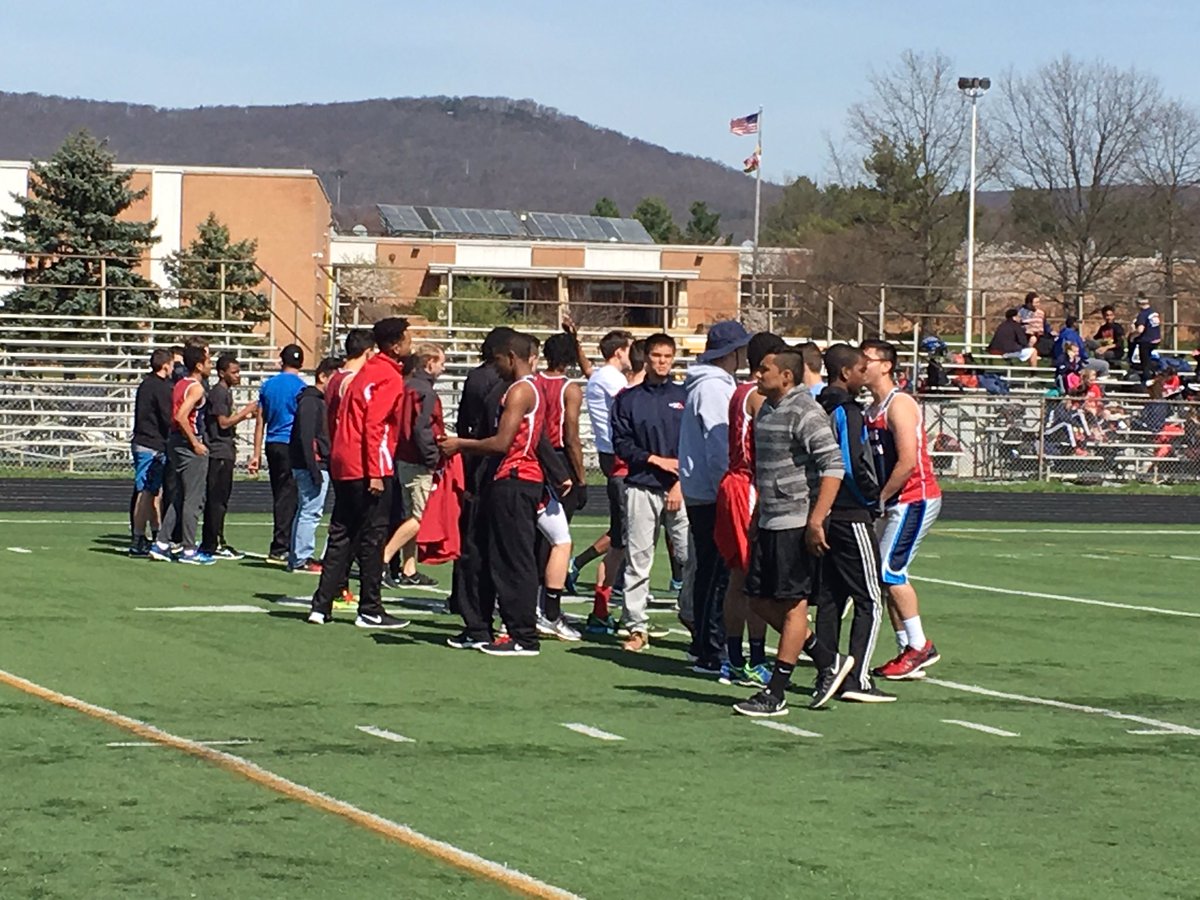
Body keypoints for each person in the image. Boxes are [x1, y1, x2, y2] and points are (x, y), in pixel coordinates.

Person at [731, 349, 852, 717]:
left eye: (764, 369)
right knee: (758, 600)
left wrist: (816, 520)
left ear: (786, 376)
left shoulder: (805, 410)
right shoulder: (766, 409)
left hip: (796, 522)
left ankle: (776, 691)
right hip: (770, 519)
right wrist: (756, 517)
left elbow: (834, 466)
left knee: (793, 604)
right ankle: (826, 658)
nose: (757, 373)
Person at [440, 331, 551, 657]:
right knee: (503, 557)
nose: (496, 367)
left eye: (499, 360)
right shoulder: (530, 388)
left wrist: (460, 444)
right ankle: (509, 630)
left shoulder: (519, 391)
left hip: (515, 477)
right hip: (516, 477)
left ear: (511, 357)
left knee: (513, 561)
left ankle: (524, 636)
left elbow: (502, 442)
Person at [307, 318, 413, 629]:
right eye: (407, 339)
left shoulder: (362, 373)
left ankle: (321, 605)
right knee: (373, 536)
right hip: (366, 465)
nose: (411, 344)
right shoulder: (388, 377)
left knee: (342, 533)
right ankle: (371, 608)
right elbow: (375, 426)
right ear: (395, 345)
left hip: (344, 461)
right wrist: (377, 471)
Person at [861, 339, 943, 681]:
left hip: (913, 497)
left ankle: (920, 645)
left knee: (890, 571)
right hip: (893, 500)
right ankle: (906, 647)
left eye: (866, 359)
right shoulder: (870, 409)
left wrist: (880, 498)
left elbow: (908, 461)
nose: (860, 365)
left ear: (886, 365)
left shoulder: (900, 404)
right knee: (882, 577)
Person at [815, 344, 893, 702]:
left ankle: (827, 669)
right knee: (870, 598)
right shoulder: (846, 411)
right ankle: (856, 678)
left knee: (831, 597)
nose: (864, 375)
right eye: (860, 369)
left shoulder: (818, 406)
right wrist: (870, 498)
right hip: (848, 512)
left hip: (825, 512)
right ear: (845, 373)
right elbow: (848, 462)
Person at [679, 320, 753, 672]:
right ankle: (711, 646)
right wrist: (727, 488)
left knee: (710, 568)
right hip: (711, 491)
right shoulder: (714, 389)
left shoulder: (709, 385)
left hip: (702, 489)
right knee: (718, 572)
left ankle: (704, 644)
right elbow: (717, 444)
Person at [713, 332, 786, 687]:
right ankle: (752, 657)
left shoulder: (739, 392)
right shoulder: (758, 396)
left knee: (738, 577)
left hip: (734, 485)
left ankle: (735, 656)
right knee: (756, 579)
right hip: (748, 488)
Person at [610, 333, 689, 655]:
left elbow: (695, 445)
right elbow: (622, 444)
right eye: (657, 355)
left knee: (689, 558)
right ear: (646, 357)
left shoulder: (685, 396)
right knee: (638, 560)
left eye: (668, 356)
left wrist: (680, 482)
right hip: (642, 486)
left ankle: (694, 618)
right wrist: (654, 460)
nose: (662, 362)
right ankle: (636, 625)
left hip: (681, 490)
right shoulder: (628, 399)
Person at [449, 326, 518, 619]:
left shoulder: (476, 376)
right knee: (487, 540)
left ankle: (461, 599)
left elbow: (465, 417)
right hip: (489, 459)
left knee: (470, 536)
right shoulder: (502, 383)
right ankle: (483, 605)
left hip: (474, 455)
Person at [532, 332, 588, 642]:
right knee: (557, 539)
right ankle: (548, 610)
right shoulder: (570, 389)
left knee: (533, 537)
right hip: (556, 460)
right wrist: (579, 477)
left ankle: (531, 605)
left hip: (532, 457)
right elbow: (571, 436)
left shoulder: (534, 382)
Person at [383, 342, 446, 587]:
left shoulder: (407, 386)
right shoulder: (425, 391)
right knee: (419, 516)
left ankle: (409, 568)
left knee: (410, 513)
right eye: (440, 362)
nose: (443, 368)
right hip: (418, 460)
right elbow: (423, 428)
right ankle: (384, 558)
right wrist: (432, 457)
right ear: (429, 363)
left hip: (404, 457)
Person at [584, 329, 634, 629]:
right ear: (619, 352)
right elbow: (629, 408)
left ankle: (604, 609)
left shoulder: (601, 377)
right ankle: (619, 612)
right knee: (626, 541)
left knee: (622, 540)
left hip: (612, 455)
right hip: (620, 458)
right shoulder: (612, 379)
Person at [149, 345, 214, 565]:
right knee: (193, 499)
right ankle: (188, 549)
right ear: (198, 365)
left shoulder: (180, 384)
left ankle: (162, 543)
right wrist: (195, 443)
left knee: (178, 496)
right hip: (188, 444)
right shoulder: (196, 388)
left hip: (175, 443)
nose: (211, 365)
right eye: (208, 361)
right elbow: (181, 416)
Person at [250, 344, 306, 565]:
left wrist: (255, 453)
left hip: (272, 442)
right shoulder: (301, 387)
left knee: (279, 494)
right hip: (290, 443)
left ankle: (282, 542)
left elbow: (260, 419)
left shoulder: (268, 385)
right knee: (290, 496)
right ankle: (282, 545)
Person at [200, 354, 257, 561]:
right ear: (222, 373)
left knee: (220, 500)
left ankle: (215, 540)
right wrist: (245, 412)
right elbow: (223, 423)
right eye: (233, 372)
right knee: (217, 500)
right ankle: (211, 542)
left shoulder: (224, 393)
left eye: (238, 372)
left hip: (224, 449)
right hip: (219, 452)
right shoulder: (219, 393)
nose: (237, 376)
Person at [288, 357, 340, 574]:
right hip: (313, 464)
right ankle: (301, 557)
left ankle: (300, 556)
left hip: (316, 463)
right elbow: (306, 436)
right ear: (323, 376)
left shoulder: (319, 401)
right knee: (310, 511)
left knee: (310, 510)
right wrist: (313, 467)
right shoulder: (311, 401)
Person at [129, 348, 174, 557]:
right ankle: (138, 537)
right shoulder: (160, 387)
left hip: (146, 442)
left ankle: (156, 535)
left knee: (154, 492)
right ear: (166, 365)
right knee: (146, 492)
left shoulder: (146, 384)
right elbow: (167, 417)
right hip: (151, 444)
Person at [1131, 292, 1162, 382]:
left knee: (1145, 363)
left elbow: (1140, 330)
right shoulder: (1154, 313)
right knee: (1150, 360)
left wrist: (1133, 334)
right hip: (1155, 340)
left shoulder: (1142, 314)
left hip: (1146, 341)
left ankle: (1146, 380)